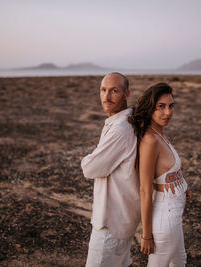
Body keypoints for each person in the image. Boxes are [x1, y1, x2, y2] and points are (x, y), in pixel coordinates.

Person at [81, 72, 141, 267]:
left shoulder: (121, 128)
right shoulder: (122, 121)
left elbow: (90, 169)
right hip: (121, 219)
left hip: (110, 224)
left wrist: (87, 159)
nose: (106, 97)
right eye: (103, 90)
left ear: (126, 94)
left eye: (114, 91)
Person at [128, 83, 191, 267]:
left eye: (171, 106)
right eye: (161, 107)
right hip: (166, 217)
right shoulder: (150, 141)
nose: (168, 113)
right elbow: (145, 190)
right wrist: (146, 235)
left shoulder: (159, 133)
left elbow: (168, 170)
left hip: (174, 213)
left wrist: (183, 185)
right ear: (150, 108)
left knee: (180, 262)